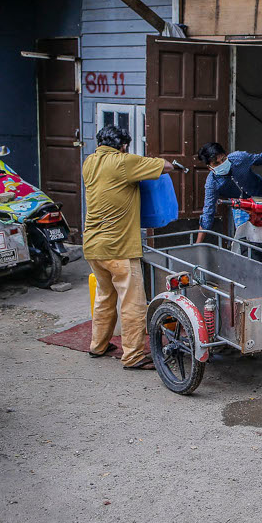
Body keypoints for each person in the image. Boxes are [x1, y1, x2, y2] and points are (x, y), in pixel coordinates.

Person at [83, 125, 174, 370]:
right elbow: (166, 166)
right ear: (123, 145)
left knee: (104, 297)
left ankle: (98, 345)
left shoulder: (89, 162)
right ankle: (133, 356)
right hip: (119, 247)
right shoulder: (122, 162)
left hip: (93, 245)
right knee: (132, 303)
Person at [194, 142, 262, 243]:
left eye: (223, 159)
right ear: (210, 167)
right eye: (217, 163)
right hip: (242, 206)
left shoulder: (239, 158)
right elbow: (208, 214)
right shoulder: (212, 184)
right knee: (244, 239)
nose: (222, 164)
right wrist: (197, 245)